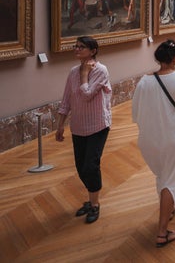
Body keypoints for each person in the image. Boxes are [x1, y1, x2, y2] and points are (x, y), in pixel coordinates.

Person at [132, 40, 175, 247]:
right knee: (172, 180)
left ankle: (169, 207)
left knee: (164, 176)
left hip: (150, 141)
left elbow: (136, 114)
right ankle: (162, 232)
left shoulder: (144, 81)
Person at [55, 36, 112, 224]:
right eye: (76, 46)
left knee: (90, 165)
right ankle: (90, 199)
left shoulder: (101, 70)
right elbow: (67, 99)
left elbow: (87, 94)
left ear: (93, 51)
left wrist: (84, 74)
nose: (77, 49)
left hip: (98, 125)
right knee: (81, 167)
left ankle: (95, 204)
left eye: (82, 47)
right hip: (78, 126)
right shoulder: (73, 72)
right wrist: (60, 125)